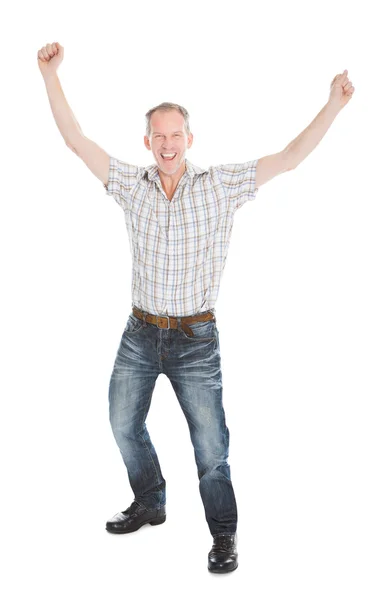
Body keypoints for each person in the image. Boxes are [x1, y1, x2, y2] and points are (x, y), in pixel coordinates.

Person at [38, 41, 355, 574]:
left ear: (189, 139)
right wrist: (50, 76)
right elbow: (74, 140)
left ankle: (224, 536)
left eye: (175, 135)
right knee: (121, 422)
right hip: (140, 332)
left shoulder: (219, 186)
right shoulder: (130, 186)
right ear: (147, 141)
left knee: (210, 450)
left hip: (195, 339)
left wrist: (333, 104)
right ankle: (151, 500)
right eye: (158, 136)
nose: (167, 144)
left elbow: (291, 157)